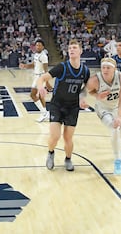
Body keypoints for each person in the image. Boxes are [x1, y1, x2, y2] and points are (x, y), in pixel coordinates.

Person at [36, 39, 90, 171]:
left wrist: (83, 98)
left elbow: (86, 88)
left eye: (74, 48)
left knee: (68, 137)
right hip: (57, 105)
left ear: (80, 51)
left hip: (73, 107)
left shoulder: (85, 71)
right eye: (70, 48)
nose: (71, 50)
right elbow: (42, 78)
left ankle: (68, 159)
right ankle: (50, 153)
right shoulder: (62, 67)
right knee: (55, 136)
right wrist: (40, 88)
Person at [83, 57, 121, 175]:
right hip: (103, 108)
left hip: (118, 107)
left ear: (114, 68)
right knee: (114, 128)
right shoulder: (95, 79)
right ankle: (117, 159)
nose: (105, 70)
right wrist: (96, 95)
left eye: (108, 67)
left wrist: (119, 116)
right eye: (103, 67)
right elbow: (85, 91)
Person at [19, 39, 51, 122]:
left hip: (41, 77)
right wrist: (25, 66)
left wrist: (47, 82)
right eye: (37, 45)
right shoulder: (36, 54)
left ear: (43, 47)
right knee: (40, 96)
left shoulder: (44, 56)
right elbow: (33, 65)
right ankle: (45, 114)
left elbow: (46, 70)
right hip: (36, 76)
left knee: (32, 95)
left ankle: (44, 113)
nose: (38, 47)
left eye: (40, 45)